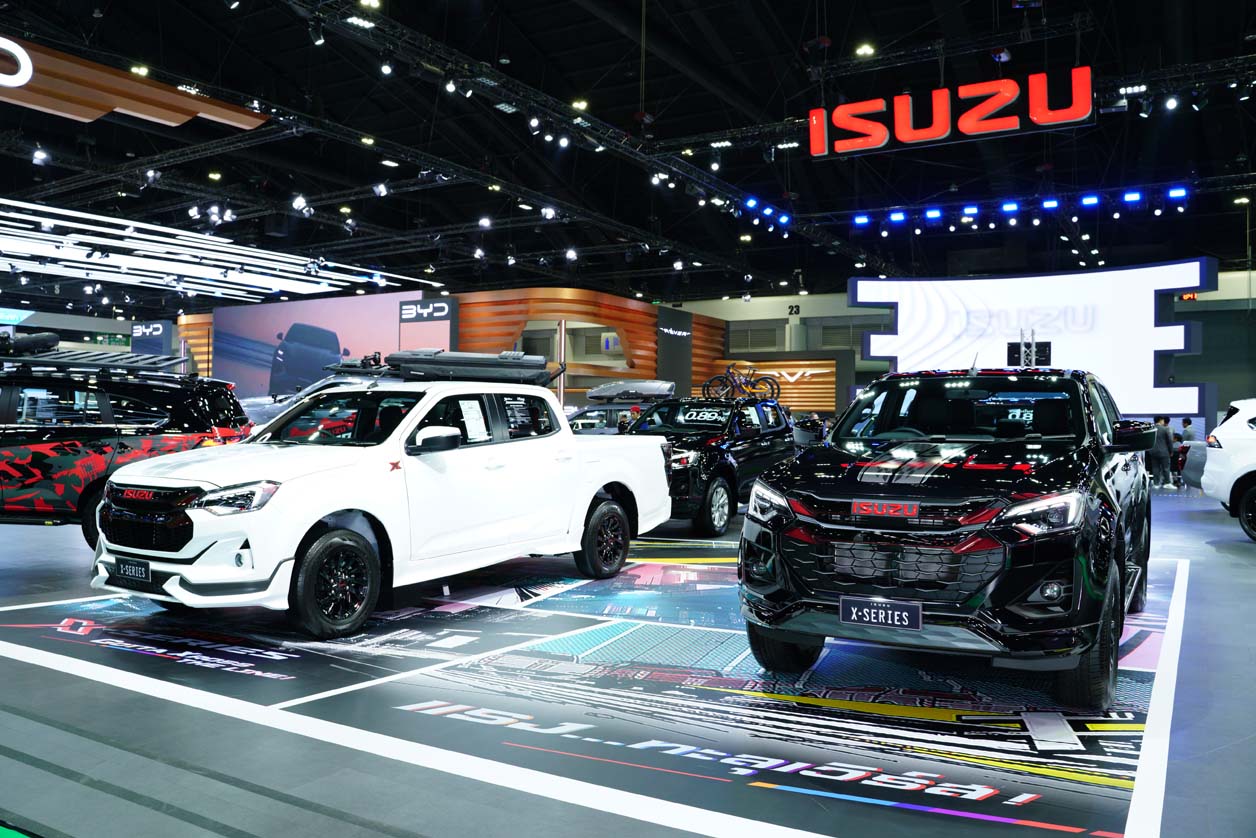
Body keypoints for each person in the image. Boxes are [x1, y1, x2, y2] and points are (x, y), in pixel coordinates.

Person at [1147, 416, 1174, 488]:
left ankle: (1156, 484)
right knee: (1166, 468)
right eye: (1163, 420)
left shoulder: (1151, 429)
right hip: (1164, 452)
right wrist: (1171, 451)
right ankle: (1167, 483)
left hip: (1153, 452)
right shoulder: (1165, 429)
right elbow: (1170, 441)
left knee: (1155, 468)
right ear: (1160, 420)